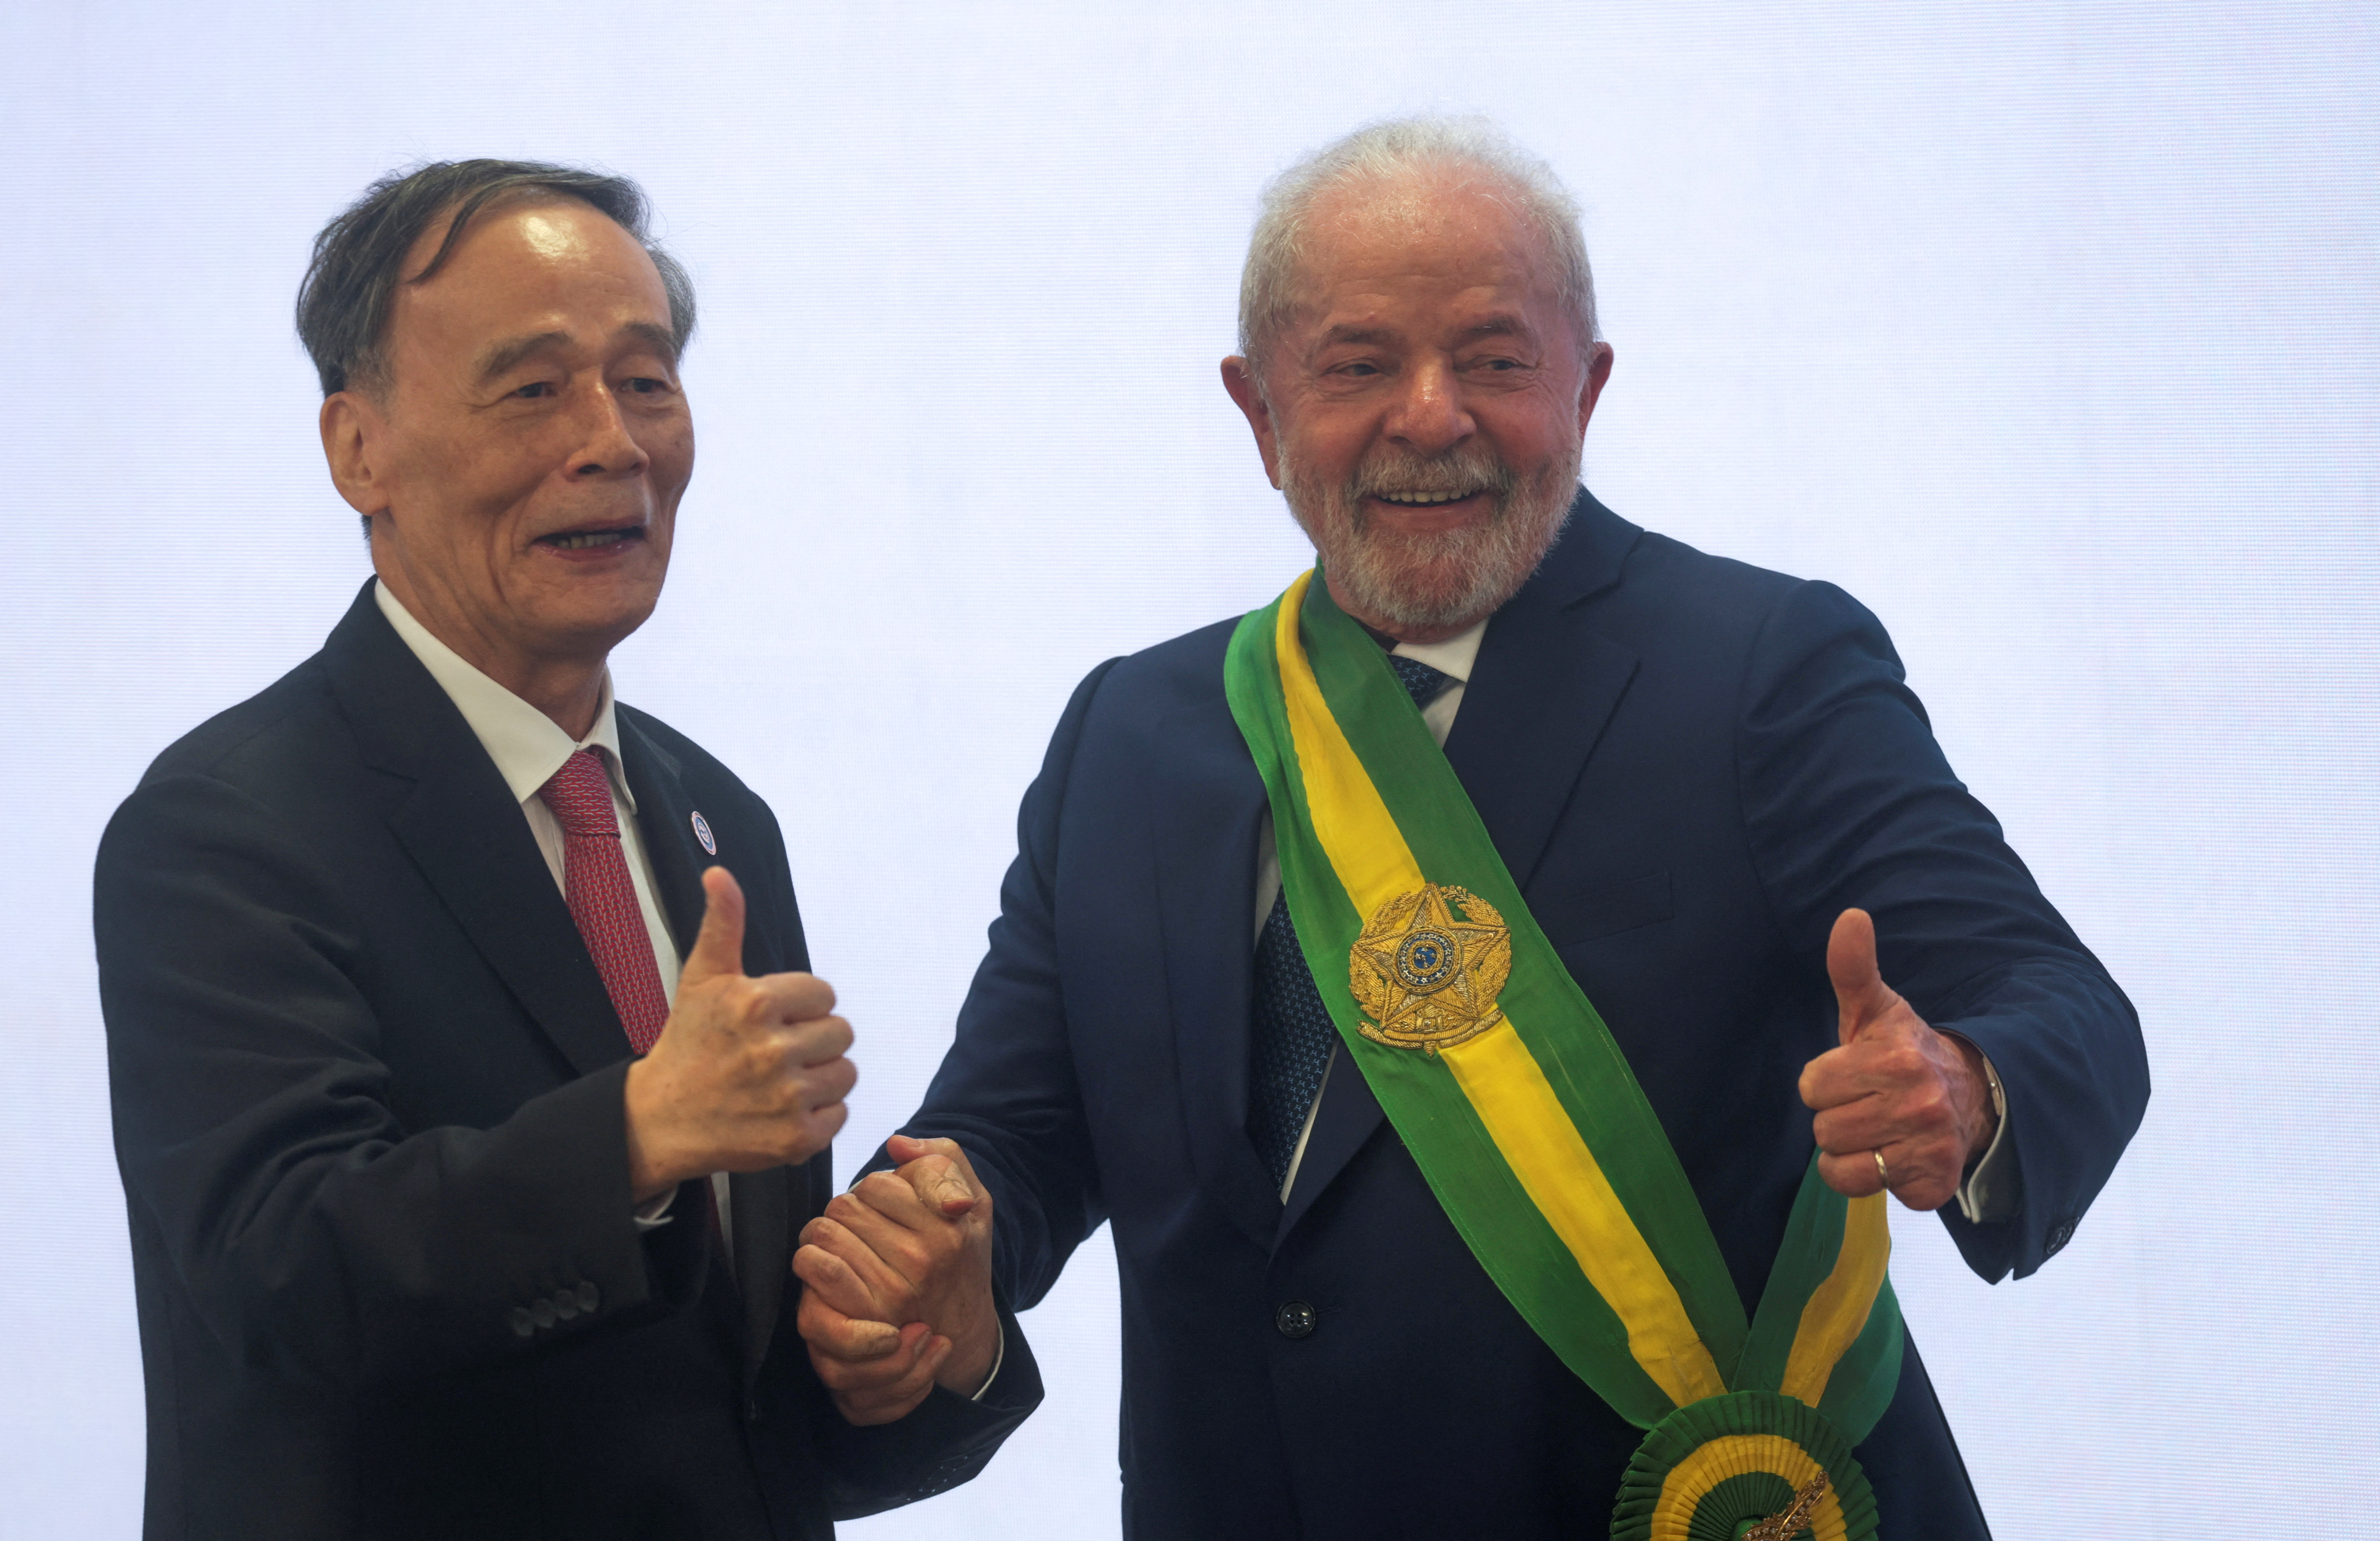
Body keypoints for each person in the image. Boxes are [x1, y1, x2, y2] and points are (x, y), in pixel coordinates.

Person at [794, 117, 2149, 1538]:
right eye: (1359, 365)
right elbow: (1014, 1132)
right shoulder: (1129, 734)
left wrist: (1972, 1087)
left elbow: (2060, 1001)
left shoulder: (1760, 666)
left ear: (1587, 387)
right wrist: (938, 1231)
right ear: (1258, 413)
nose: (1431, 416)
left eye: (1495, 362)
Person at [94, 160, 1039, 1541]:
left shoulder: (717, 819)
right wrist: (640, 1132)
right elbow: (280, 1278)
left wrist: (912, 1350)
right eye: (533, 388)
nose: (614, 442)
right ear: (358, 449)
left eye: (646, 381)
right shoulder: (227, 824)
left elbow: (732, 1405)